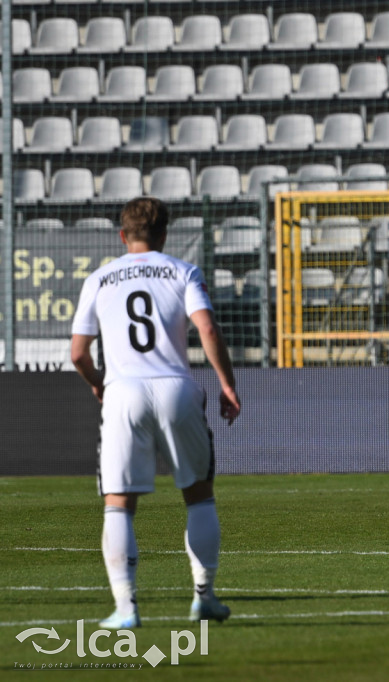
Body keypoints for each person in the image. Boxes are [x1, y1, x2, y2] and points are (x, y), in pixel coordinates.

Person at [70, 197, 241, 628]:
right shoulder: (182, 271)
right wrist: (226, 384)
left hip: (123, 391)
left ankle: (126, 608)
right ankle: (204, 597)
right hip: (176, 388)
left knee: (119, 503)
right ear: (165, 235)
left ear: (122, 235)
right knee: (198, 494)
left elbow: (77, 353)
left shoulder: (99, 278)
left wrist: (96, 381)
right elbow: (206, 328)